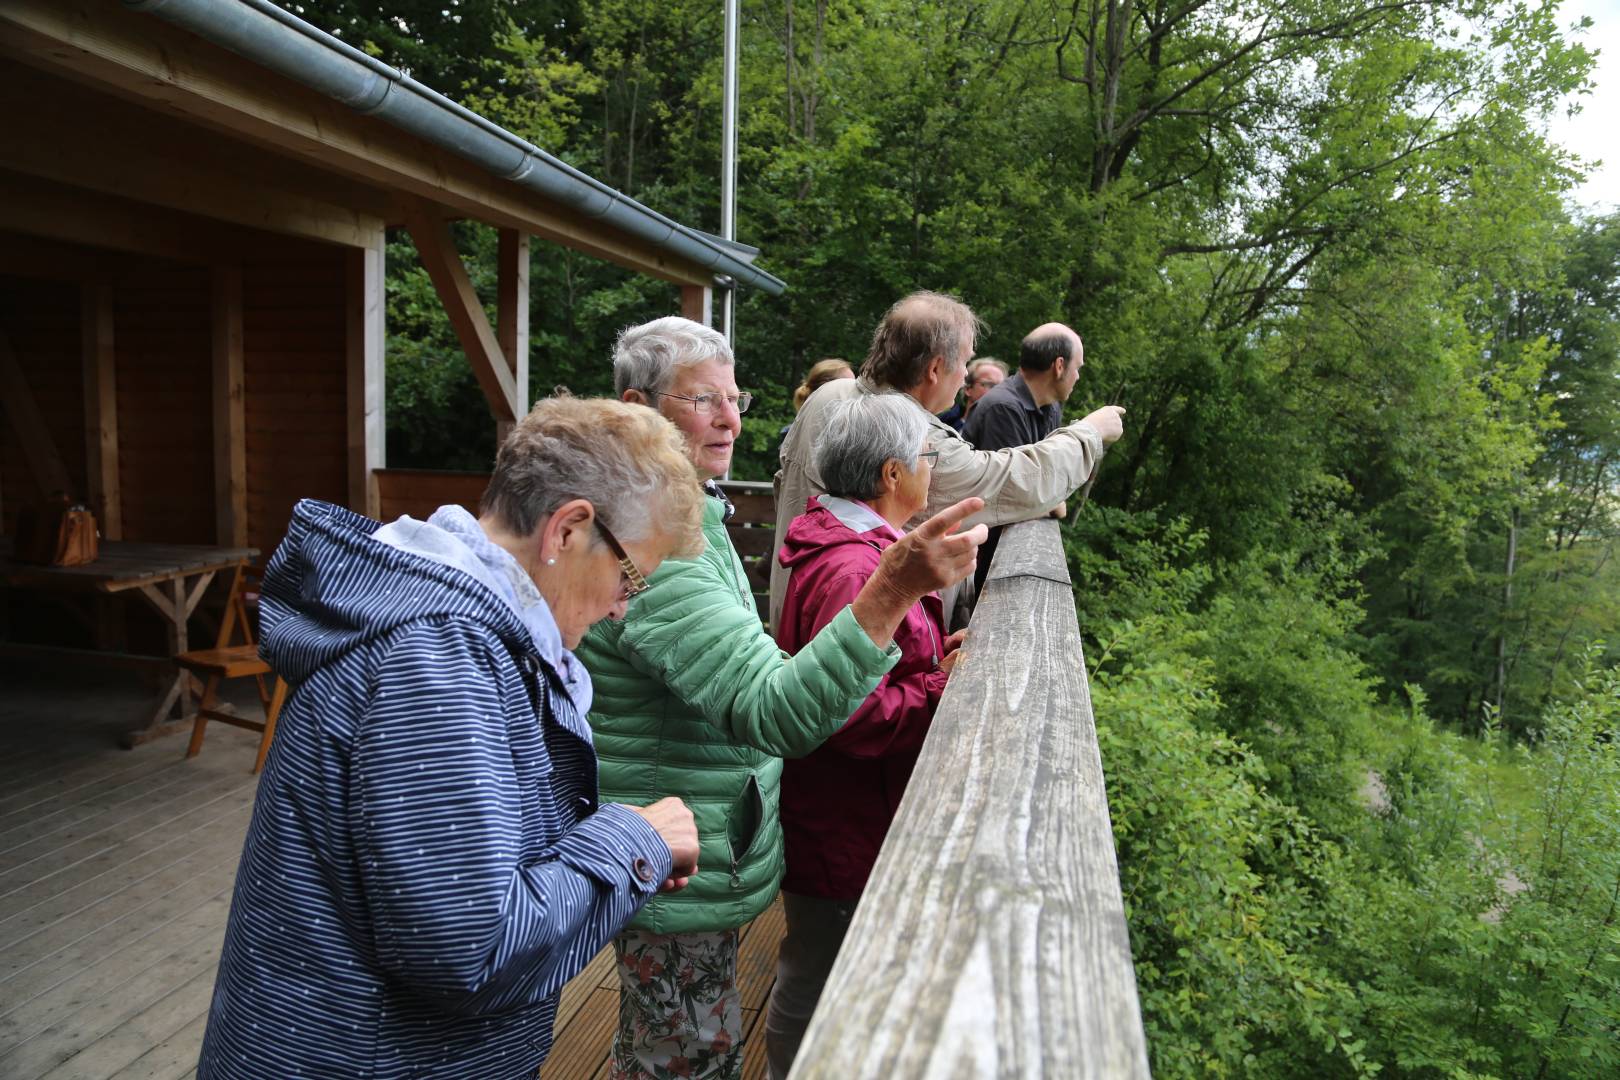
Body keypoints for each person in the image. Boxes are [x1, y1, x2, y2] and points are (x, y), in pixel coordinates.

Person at [196, 398, 706, 1080]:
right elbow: (471, 951)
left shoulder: (445, 629)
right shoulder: (438, 660)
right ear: (567, 530)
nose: (622, 607)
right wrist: (633, 842)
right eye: (630, 575)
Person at [576, 316, 986, 1080]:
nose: (731, 419)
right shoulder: (646, 544)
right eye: (704, 401)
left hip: (684, 845)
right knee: (690, 1057)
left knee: (671, 1041)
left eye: (736, 397)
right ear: (637, 406)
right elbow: (777, 711)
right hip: (670, 857)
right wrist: (895, 586)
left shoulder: (682, 510)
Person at [764, 394, 965, 1079]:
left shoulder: (865, 550)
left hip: (851, 815)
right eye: (927, 458)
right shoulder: (855, 567)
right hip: (843, 822)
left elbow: (879, 664)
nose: (932, 471)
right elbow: (849, 715)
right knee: (818, 974)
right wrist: (943, 688)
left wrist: (938, 659)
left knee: (818, 967)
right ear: (890, 474)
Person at [773, 291, 1126, 631]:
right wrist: (1088, 434)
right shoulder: (907, 437)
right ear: (936, 368)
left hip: (796, 623)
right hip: (872, 656)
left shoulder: (827, 397)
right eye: (964, 362)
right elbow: (1010, 483)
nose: (965, 376)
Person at [962, 323, 1088, 591]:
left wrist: (1049, 495)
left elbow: (1050, 483)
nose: (1077, 376)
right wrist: (1051, 498)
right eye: (1077, 368)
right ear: (1059, 366)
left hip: (999, 557)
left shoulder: (1049, 406)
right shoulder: (1003, 408)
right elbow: (1015, 496)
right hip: (976, 565)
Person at [936, 356, 1007, 434]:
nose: (998, 391)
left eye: (1001, 387)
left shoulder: (1008, 429)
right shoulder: (941, 424)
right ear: (968, 389)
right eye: (989, 384)